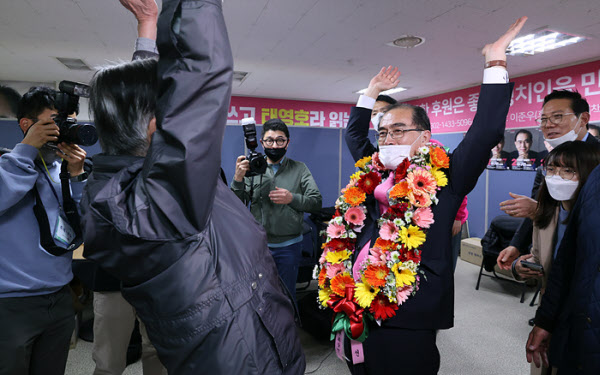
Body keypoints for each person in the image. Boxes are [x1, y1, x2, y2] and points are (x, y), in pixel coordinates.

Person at [80, 0, 305, 374]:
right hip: (241, 360)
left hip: (258, 341)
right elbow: (197, 77)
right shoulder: (156, 204)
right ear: (160, 128)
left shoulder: (128, 189)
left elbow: (155, 107)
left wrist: (148, 32)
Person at [341, 17, 526, 374]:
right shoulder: (375, 170)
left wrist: (495, 62)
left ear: (424, 137)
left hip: (412, 302)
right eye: (383, 133)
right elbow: (353, 137)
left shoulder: (447, 178)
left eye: (399, 130)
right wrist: (370, 92)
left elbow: (486, 129)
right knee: (362, 365)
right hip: (361, 291)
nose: (389, 139)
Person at [88, 2, 165, 374]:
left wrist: (147, 27)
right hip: (113, 284)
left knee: (159, 358)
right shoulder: (105, 179)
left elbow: (143, 97)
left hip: (160, 283)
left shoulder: (164, 169)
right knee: (108, 361)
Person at [0, 86, 87, 375]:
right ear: (27, 124)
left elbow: (80, 224)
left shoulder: (59, 174)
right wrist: (26, 149)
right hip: (11, 305)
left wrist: (76, 177)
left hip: (59, 299)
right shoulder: (7, 165)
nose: (62, 131)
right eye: (55, 122)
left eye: (68, 123)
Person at [510, 141, 600, 374]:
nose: (556, 177)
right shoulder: (547, 214)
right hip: (549, 313)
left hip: (584, 318)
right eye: (551, 170)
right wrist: (519, 268)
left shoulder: (592, 220)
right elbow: (542, 265)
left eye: (568, 171)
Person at [497, 90, 600, 270]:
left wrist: (538, 210)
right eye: (544, 120)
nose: (548, 125)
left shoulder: (597, 157)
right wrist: (517, 244)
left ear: (583, 119)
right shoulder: (548, 161)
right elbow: (538, 205)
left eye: (557, 117)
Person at [232, 118, 322, 303]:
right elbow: (236, 205)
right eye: (270, 140)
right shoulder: (251, 169)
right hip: (258, 245)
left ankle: (288, 329)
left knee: (285, 293)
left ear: (288, 143)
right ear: (261, 143)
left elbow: (316, 202)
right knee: (258, 294)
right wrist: (238, 179)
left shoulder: (299, 169)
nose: (275, 144)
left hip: (289, 246)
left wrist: (292, 199)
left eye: (280, 140)